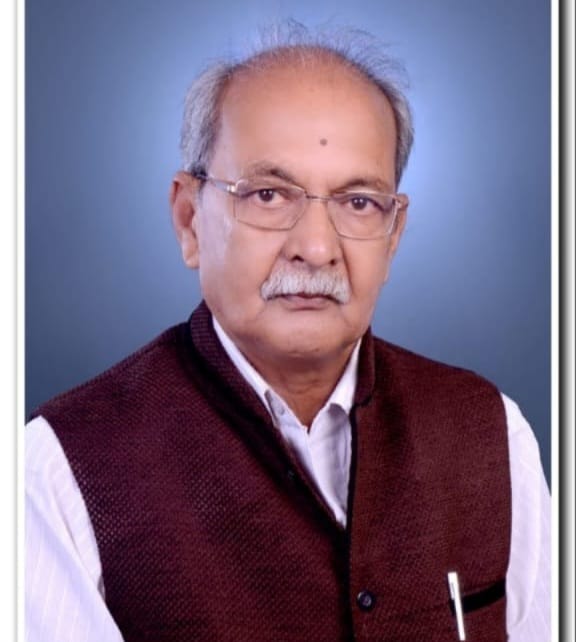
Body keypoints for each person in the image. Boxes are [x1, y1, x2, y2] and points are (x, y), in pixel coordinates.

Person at [25, 22, 550, 642]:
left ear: (393, 236)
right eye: (269, 195)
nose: (316, 248)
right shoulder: (60, 472)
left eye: (358, 202)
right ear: (190, 220)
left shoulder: (491, 433)